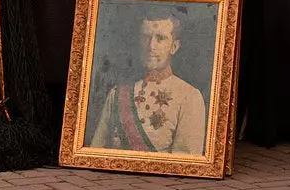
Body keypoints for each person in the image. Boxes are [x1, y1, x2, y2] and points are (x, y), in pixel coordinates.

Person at [87, 13, 206, 155]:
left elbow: (185, 165)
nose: (151, 46)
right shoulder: (117, 93)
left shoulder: (189, 97)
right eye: (146, 37)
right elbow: (95, 152)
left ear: (174, 46)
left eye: (160, 38)